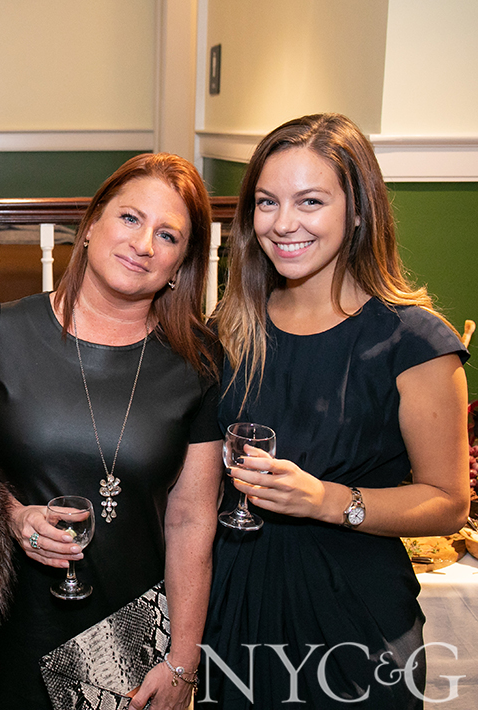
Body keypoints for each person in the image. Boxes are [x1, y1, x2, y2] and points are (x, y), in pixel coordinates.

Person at [199, 113, 470, 708]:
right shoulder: (231, 327)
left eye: (310, 201)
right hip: (234, 606)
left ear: (358, 211)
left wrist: (327, 500)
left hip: (354, 622)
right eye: (267, 202)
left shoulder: (414, 342)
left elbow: (448, 502)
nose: (283, 223)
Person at [0, 153, 223, 710]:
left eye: (167, 235)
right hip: (8, 616)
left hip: (132, 629)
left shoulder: (198, 361)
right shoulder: (4, 330)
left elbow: (192, 518)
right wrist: (12, 515)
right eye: (130, 218)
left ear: (181, 262)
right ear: (93, 223)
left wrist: (183, 660)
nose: (143, 244)